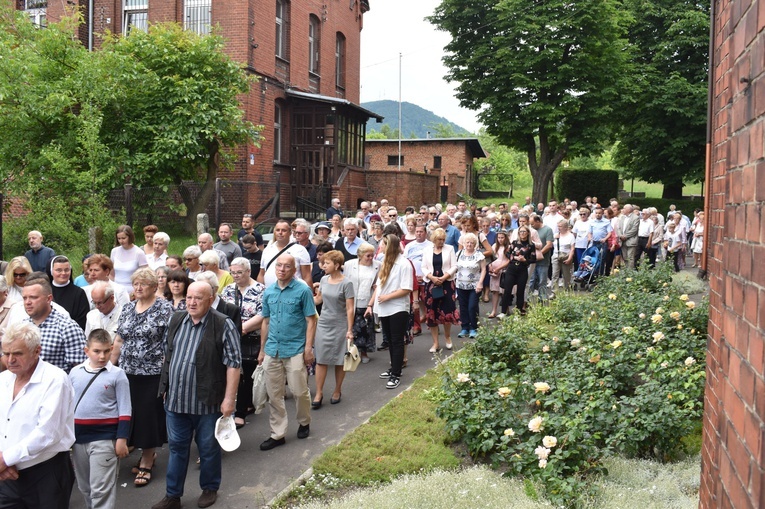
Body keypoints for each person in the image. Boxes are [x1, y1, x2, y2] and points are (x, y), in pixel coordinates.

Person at [151, 282, 241, 509]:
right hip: (175, 402)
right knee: (177, 449)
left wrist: (229, 400)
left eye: (198, 298)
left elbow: (233, 364)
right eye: (189, 297)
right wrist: (165, 387)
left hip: (207, 403)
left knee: (208, 448)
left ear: (210, 300)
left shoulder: (223, 324)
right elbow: (167, 355)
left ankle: (209, 488)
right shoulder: (176, 319)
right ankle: (173, 496)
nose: (191, 302)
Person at [0, 322, 76, 509]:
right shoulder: (3, 380)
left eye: (17, 354)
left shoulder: (55, 379)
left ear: (36, 351)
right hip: (7, 476)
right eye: (6, 353)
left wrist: (4, 460)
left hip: (45, 473)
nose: (10, 360)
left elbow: (48, 433)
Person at [111, 268, 174, 487]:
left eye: (143, 284)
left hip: (152, 372)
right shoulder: (128, 307)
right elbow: (119, 339)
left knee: (148, 414)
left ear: (154, 287)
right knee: (130, 412)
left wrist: (168, 375)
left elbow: (170, 345)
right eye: (135, 284)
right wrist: (110, 367)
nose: (138, 288)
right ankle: (137, 446)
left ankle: (148, 457)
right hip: (127, 371)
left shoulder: (165, 308)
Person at [258, 254, 317, 451]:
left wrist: (308, 348)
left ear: (294, 270)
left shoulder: (303, 291)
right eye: (279, 266)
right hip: (272, 349)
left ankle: (304, 421)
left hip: (295, 348)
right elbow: (265, 321)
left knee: (299, 391)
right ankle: (278, 434)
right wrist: (262, 350)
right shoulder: (269, 292)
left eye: (287, 266)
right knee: (274, 394)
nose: (282, 269)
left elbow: (311, 320)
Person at [70, 329, 131, 509]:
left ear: (112, 348)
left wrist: (122, 439)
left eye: (106, 351)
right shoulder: (75, 373)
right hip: (79, 438)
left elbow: (125, 408)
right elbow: (68, 406)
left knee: (101, 490)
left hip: (105, 438)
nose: (102, 356)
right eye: (97, 351)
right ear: (86, 350)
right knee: (85, 487)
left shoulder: (117, 375)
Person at [221, 257, 266, 428]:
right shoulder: (227, 289)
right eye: (233, 272)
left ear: (248, 271)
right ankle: (232, 406)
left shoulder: (260, 290)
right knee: (232, 374)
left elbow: (263, 314)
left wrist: (242, 328)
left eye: (240, 272)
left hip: (250, 338)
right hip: (229, 338)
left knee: (247, 375)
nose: (236, 276)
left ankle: (241, 412)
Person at [312, 251, 354, 409]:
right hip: (323, 323)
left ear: (336, 265)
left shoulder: (347, 283)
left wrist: (350, 330)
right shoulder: (323, 279)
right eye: (323, 263)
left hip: (340, 324)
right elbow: (319, 299)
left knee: (339, 359)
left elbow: (350, 309)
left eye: (326, 263)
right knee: (321, 359)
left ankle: (337, 390)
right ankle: (319, 393)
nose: (323, 266)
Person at [373, 235, 412, 390]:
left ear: (389, 246)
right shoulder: (385, 261)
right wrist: (372, 304)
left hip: (397, 307)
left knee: (396, 341)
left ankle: (396, 374)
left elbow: (406, 288)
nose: (380, 246)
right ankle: (394, 369)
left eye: (382, 244)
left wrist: (387, 297)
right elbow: (379, 286)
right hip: (384, 307)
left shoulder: (404, 264)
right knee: (389, 340)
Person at [23, 277, 86, 373]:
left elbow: (81, 370)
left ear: (49, 299)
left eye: (33, 297)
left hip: (55, 385)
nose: (27, 302)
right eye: (25, 298)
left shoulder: (67, 327)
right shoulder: (22, 326)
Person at [421, 228, 459, 351]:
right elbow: (424, 267)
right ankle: (435, 343)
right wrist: (431, 277)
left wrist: (444, 277)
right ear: (434, 240)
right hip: (431, 284)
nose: (441, 242)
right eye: (439, 240)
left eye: (443, 240)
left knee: (447, 311)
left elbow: (454, 266)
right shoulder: (427, 250)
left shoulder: (450, 249)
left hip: (447, 284)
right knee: (432, 313)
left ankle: (447, 337)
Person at [342, 243, 380, 363]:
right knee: (351, 327)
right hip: (352, 300)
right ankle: (350, 351)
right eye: (367, 256)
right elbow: (344, 281)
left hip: (367, 300)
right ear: (360, 255)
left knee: (365, 328)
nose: (370, 258)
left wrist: (376, 288)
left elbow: (379, 283)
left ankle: (363, 352)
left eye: (372, 256)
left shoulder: (377, 265)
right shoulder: (349, 265)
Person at [258, 220, 312, 287]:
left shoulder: (300, 250)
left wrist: (309, 294)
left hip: (293, 292)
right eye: (277, 230)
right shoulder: (267, 250)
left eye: (284, 230)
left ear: (290, 233)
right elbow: (262, 273)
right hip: (270, 293)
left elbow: (306, 276)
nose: (280, 233)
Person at [454, 232, 486, 339]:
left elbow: (484, 270)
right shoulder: (458, 253)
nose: (469, 245)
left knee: (472, 306)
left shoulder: (479, 255)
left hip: (474, 285)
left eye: (471, 243)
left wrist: (480, 283)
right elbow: (455, 268)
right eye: (467, 242)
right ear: (464, 243)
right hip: (460, 285)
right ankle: (464, 327)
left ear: (475, 244)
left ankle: (473, 327)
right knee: (462, 307)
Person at [499, 226, 536, 317]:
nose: (522, 233)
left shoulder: (531, 245)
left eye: (524, 231)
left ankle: (518, 313)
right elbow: (507, 253)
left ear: (528, 233)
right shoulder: (514, 243)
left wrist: (524, 260)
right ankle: (503, 312)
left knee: (520, 291)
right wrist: (514, 257)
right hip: (511, 268)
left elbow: (533, 259)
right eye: (520, 232)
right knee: (507, 290)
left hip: (522, 269)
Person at [50, 255, 89, 330]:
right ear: (52, 271)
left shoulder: (79, 293)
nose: (63, 273)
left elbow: (83, 320)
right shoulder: (45, 291)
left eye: (67, 270)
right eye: (59, 270)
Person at [110, 225, 149, 294]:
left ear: (130, 237)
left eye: (124, 238)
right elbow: (111, 274)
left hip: (132, 290)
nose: (121, 241)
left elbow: (145, 275)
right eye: (119, 238)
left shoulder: (139, 253)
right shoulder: (114, 251)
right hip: (116, 290)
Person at [529, 215, 554, 303]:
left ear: (538, 221)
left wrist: (539, 254)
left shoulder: (548, 230)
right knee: (531, 280)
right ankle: (527, 299)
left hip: (543, 260)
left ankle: (542, 299)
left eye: (532, 224)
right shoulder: (531, 231)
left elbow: (549, 245)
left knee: (542, 281)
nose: (531, 225)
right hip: (532, 261)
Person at [487, 230, 511, 318]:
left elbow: (509, 260)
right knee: (495, 291)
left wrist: (499, 268)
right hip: (494, 270)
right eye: (499, 238)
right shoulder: (494, 246)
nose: (500, 239)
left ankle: (505, 308)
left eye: (502, 238)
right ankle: (494, 310)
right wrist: (490, 266)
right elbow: (491, 258)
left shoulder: (508, 247)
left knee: (504, 291)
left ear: (506, 238)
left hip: (504, 270)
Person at [550, 221, 575, 292]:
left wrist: (570, 258)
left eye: (560, 226)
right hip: (556, 255)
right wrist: (554, 238)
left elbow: (572, 248)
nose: (558, 228)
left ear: (565, 227)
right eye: (558, 226)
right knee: (555, 274)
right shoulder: (556, 235)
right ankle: (554, 292)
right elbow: (551, 245)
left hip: (565, 255)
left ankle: (567, 290)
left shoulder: (570, 236)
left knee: (566, 275)